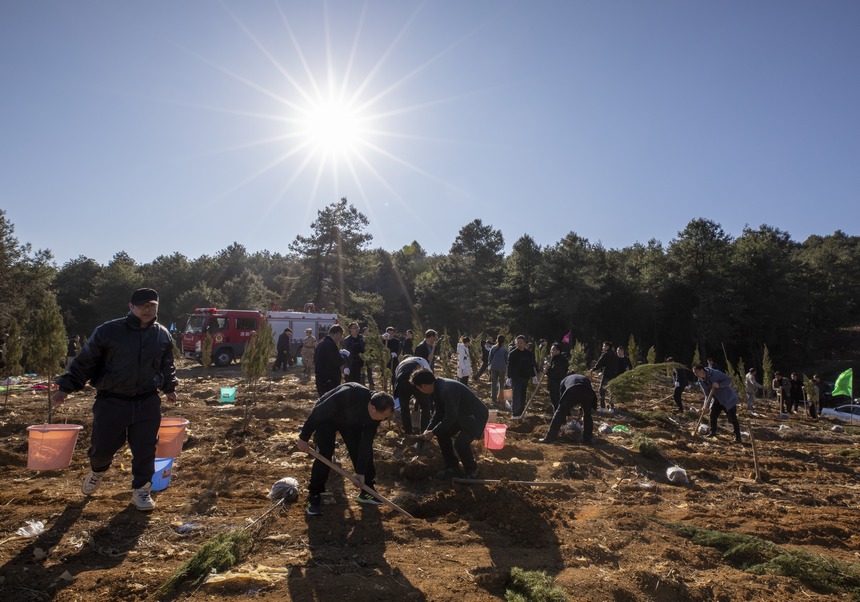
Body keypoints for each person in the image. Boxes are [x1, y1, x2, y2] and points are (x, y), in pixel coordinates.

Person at [51, 288, 178, 512]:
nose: (148, 310)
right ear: (131, 307)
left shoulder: (162, 334)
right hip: (112, 400)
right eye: (142, 306)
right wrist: (65, 387)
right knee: (102, 448)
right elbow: (84, 362)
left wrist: (169, 387)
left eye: (152, 306)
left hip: (147, 400)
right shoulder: (108, 331)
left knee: (146, 448)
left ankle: (141, 490)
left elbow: (166, 364)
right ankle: (97, 471)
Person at [296, 383, 395, 516]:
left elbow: (366, 444)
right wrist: (304, 438)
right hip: (327, 417)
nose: (384, 420)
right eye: (384, 416)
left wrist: (360, 473)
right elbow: (319, 412)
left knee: (361, 447)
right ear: (372, 408)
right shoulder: (350, 394)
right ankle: (314, 495)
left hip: (350, 422)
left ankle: (367, 490)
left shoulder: (375, 416)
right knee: (325, 454)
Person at [413, 369, 489, 480]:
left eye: (419, 388)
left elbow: (450, 417)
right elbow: (438, 412)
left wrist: (433, 432)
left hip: (475, 416)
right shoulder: (435, 389)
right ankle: (452, 466)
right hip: (460, 414)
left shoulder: (446, 389)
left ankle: (472, 470)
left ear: (424, 385)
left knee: (461, 443)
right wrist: (429, 429)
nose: (419, 391)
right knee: (442, 433)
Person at [538, 373, 596, 444]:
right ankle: (587, 440)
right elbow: (588, 394)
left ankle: (550, 438)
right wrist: (582, 411)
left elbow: (562, 398)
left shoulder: (564, 380)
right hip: (587, 392)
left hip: (572, 391)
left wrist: (567, 413)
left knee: (560, 412)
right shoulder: (585, 379)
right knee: (588, 415)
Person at [693, 363, 742, 443]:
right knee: (713, 415)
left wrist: (719, 385)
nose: (695, 374)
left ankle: (738, 437)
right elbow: (707, 394)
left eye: (696, 372)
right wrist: (706, 406)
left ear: (701, 370)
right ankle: (713, 433)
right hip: (717, 399)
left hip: (727, 399)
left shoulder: (715, 373)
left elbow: (729, 380)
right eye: (694, 373)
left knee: (732, 418)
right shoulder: (701, 381)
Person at [393, 355, 432, 435]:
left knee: (405, 409)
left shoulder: (400, 365)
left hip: (402, 381)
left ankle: (408, 433)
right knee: (425, 407)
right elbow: (430, 378)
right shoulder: (421, 359)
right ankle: (424, 433)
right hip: (418, 379)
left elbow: (396, 381)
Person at [506, 335, 538, 418]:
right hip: (516, 377)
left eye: (521, 343)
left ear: (524, 344)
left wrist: (533, 376)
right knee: (516, 395)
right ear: (516, 343)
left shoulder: (528, 353)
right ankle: (515, 413)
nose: (519, 344)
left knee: (523, 395)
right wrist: (509, 377)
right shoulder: (513, 354)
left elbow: (531, 365)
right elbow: (509, 366)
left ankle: (522, 412)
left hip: (525, 377)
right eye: (518, 343)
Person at [314, 324, 345, 396]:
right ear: (337, 334)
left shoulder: (321, 343)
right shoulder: (330, 345)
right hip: (329, 380)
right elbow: (336, 361)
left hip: (321, 379)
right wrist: (343, 357)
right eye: (341, 336)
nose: (340, 339)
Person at [590, 341, 620, 411]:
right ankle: (611, 408)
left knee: (602, 391)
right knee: (612, 392)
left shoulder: (605, 354)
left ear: (607, 347)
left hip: (607, 374)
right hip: (614, 375)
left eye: (604, 346)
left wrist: (593, 369)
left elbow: (599, 363)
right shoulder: (615, 355)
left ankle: (603, 407)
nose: (602, 348)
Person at [545, 343, 569, 413]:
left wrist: (547, 371)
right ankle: (556, 417)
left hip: (558, 385)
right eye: (552, 349)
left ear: (559, 351)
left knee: (558, 402)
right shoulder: (554, 359)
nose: (552, 351)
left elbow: (557, 374)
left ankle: (560, 419)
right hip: (553, 385)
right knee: (554, 402)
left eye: (555, 350)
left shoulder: (561, 360)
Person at [488, 335, 509, 405]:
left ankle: (493, 398)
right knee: (501, 383)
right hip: (502, 368)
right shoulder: (505, 349)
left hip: (494, 367)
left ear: (497, 340)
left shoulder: (493, 348)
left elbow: (490, 357)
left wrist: (490, 365)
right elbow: (507, 359)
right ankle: (500, 397)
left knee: (494, 383)